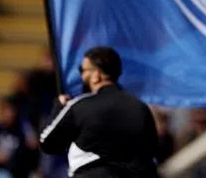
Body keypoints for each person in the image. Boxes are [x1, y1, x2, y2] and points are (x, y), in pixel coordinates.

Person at [38, 47, 159, 177]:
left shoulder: (80, 105)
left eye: (82, 70)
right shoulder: (140, 107)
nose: (82, 76)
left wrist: (58, 107)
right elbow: (152, 152)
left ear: (96, 76)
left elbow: (47, 142)